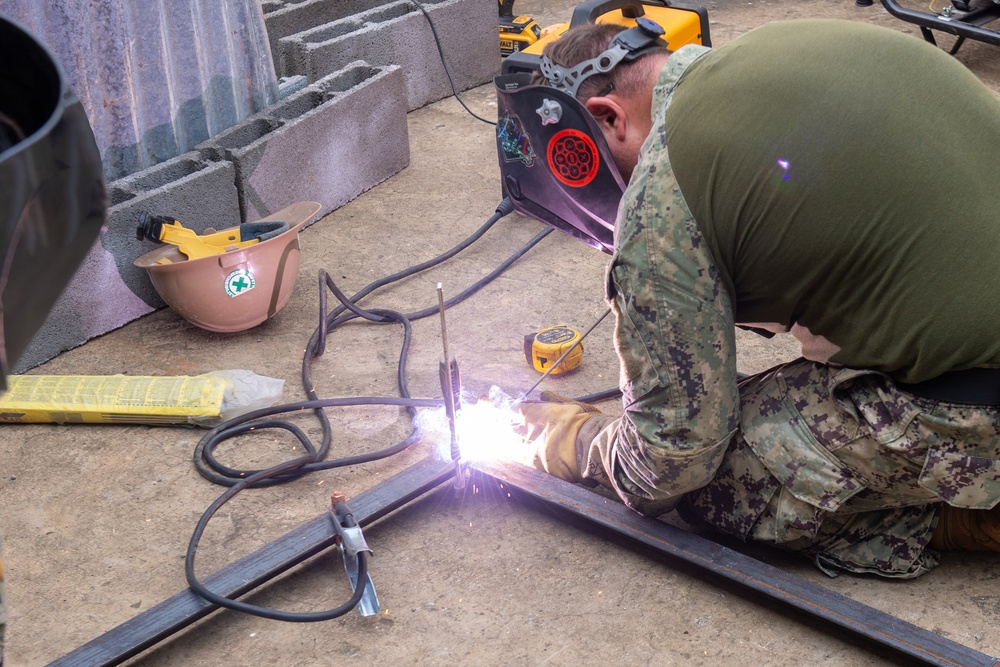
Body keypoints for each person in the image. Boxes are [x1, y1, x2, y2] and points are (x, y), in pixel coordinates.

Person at [517, 17, 1000, 578]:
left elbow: (669, 462)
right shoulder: (779, 45)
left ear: (607, 116)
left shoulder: (662, 200)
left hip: (979, 401)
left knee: (719, 482)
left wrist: (572, 441)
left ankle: (958, 512)